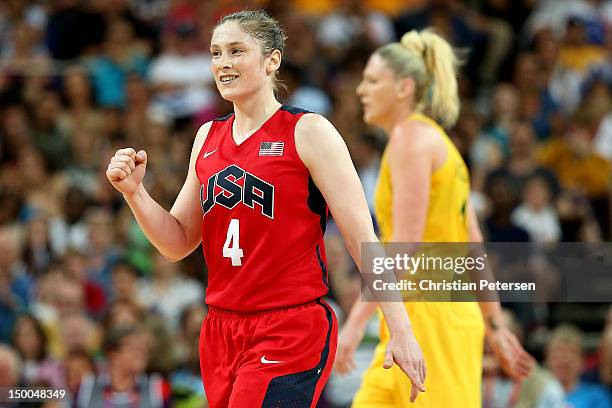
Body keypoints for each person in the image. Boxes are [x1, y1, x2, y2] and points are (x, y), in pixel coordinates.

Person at [106, 10, 425, 408]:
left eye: (237, 51)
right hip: (221, 329)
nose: (223, 63)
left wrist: (401, 330)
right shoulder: (207, 135)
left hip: (290, 325)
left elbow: (364, 240)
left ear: (272, 60)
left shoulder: (308, 131)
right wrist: (136, 194)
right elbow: (177, 242)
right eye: (216, 53)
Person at [334, 29, 535, 407]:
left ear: (404, 88)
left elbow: (404, 246)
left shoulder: (410, 139)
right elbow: (473, 245)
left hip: (433, 319)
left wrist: (355, 321)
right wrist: (494, 324)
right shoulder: (438, 143)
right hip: (414, 321)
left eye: (372, 80)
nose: (361, 89)